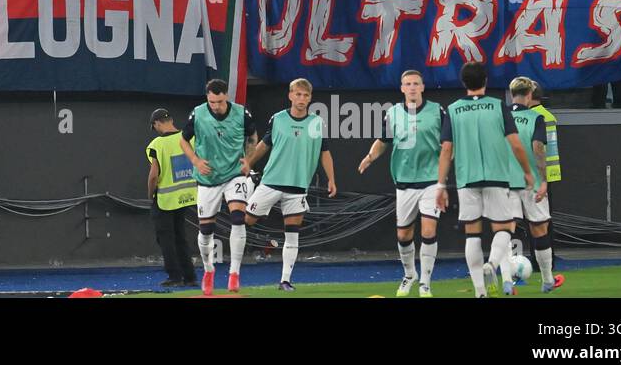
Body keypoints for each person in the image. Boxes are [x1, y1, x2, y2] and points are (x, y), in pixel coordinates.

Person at [435, 61, 534, 298]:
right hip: (497, 177)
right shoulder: (499, 106)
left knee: (472, 233)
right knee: (504, 227)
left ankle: (480, 292)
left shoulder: (453, 109)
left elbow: (446, 149)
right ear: (486, 81)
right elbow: (516, 144)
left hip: (467, 179)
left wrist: (440, 184)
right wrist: (527, 171)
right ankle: (493, 263)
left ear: (463, 83)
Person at [240, 79, 335, 292]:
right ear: (290, 95)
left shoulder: (316, 123)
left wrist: (331, 179)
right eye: (298, 95)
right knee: (246, 220)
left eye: (306, 96)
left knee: (292, 234)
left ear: (310, 98)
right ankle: (249, 187)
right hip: (271, 181)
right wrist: (248, 163)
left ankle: (285, 280)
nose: (302, 99)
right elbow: (264, 145)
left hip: (298, 186)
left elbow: (324, 151)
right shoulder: (279, 119)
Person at [358, 70, 443, 297]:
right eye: (408, 84)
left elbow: (448, 142)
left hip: (431, 181)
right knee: (404, 235)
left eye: (416, 83)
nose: (412, 87)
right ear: (402, 88)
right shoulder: (393, 113)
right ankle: (409, 274)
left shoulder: (437, 111)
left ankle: (425, 281)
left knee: (428, 229)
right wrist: (369, 157)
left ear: (423, 87)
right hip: (404, 182)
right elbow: (383, 140)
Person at [180, 78, 256, 295]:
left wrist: (248, 159)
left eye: (220, 101)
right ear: (208, 98)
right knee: (206, 229)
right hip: (208, 178)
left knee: (238, 219)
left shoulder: (241, 113)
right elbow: (183, 140)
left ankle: (234, 273)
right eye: (212, 102)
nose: (216, 106)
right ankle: (208, 270)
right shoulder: (198, 114)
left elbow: (252, 137)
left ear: (226, 97)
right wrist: (195, 161)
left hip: (234, 174)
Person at [507, 77, 564, 292]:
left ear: (511, 93)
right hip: (531, 181)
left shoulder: (500, 116)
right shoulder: (536, 117)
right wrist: (543, 181)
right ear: (530, 95)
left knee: (504, 230)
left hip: (505, 182)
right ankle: (547, 280)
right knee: (539, 228)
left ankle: (506, 281)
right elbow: (538, 148)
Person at [147, 108, 198, 288]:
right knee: (181, 237)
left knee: (166, 239)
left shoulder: (157, 144)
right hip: (186, 196)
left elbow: (154, 175)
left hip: (165, 199)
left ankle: (175, 276)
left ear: (157, 123)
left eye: (155, 126)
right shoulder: (189, 137)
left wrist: (150, 193)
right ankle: (190, 277)